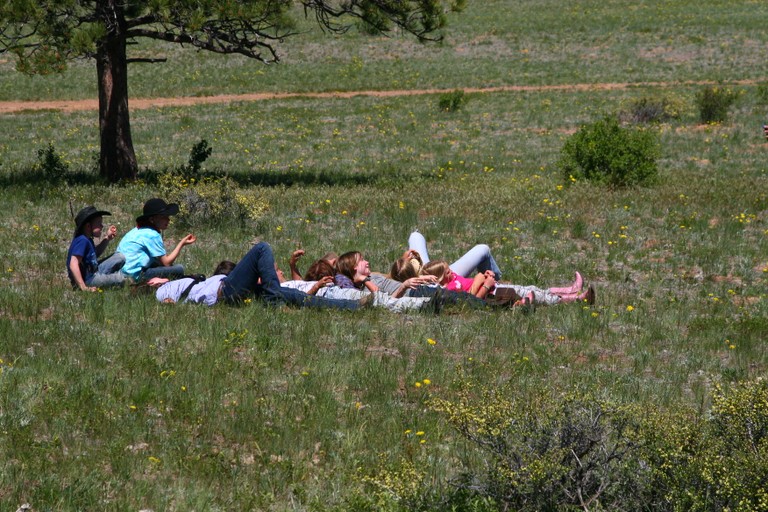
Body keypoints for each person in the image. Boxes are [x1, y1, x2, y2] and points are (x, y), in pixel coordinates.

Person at [154, 241, 369, 310]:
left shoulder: (192, 281)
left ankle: (352, 306)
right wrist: (164, 294)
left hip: (236, 289)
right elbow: (167, 302)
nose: (160, 278)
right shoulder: (165, 288)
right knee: (262, 249)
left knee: (295, 295)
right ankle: (273, 301)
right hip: (225, 291)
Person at [277, 256, 436, 313]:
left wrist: (293, 265)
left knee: (380, 301)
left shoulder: (285, 286)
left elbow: (300, 284)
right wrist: (317, 286)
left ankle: (426, 303)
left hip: (333, 291)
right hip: (330, 293)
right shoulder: (279, 291)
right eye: (277, 270)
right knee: (379, 300)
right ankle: (425, 304)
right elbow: (302, 297)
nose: (280, 271)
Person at [116, 198, 196, 282]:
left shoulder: (136, 231)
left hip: (121, 273)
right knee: (179, 269)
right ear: (152, 220)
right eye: (163, 217)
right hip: (135, 275)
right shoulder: (152, 235)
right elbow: (166, 263)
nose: (168, 219)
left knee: (158, 263)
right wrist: (182, 243)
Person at [66, 205, 126, 291]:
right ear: (88, 226)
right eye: (99, 223)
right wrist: (83, 287)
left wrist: (107, 238)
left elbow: (94, 254)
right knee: (120, 279)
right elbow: (73, 264)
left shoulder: (88, 239)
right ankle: (123, 279)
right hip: (88, 279)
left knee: (120, 257)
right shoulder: (82, 241)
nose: (102, 226)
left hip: (94, 271)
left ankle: (112, 277)